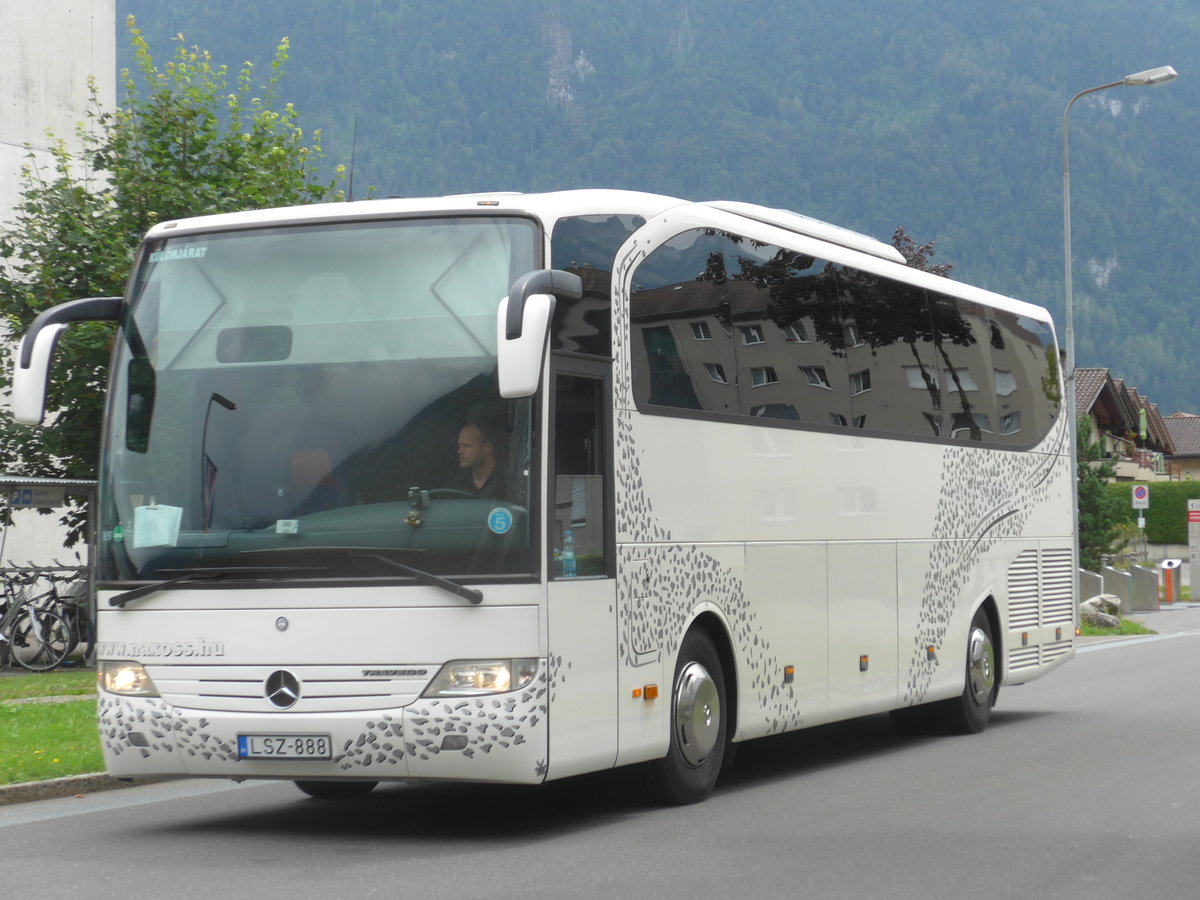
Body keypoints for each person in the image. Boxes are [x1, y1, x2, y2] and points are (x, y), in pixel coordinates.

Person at [450, 422, 507, 500]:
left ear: (487, 447)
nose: (460, 451)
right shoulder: (456, 484)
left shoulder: (508, 481)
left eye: (467, 445)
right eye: (459, 446)